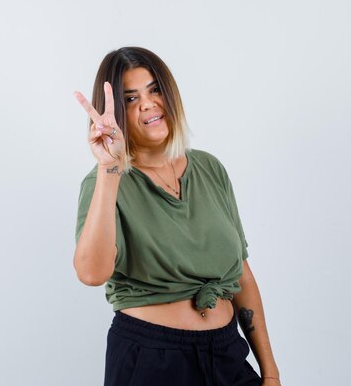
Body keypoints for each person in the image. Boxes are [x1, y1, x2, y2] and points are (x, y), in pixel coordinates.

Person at [74, 47, 280, 386]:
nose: (148, 104)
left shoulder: (209, 169)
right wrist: (110, 167)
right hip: (152, 360)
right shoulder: (103, 183)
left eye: (154, 89)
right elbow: (92, 273)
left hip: (226, 354)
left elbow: (241, 274)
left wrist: (270, 373)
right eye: (130, 98)